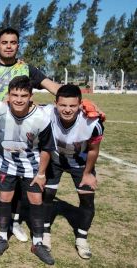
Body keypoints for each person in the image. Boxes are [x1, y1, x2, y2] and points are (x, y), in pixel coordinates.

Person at [0, 27, 60, 242]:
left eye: (13, 42)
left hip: (21, 136)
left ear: (18, 46)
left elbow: (52, 86)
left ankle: (15, 220)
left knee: (19, 175)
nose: (9, 46)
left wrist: (77, 99)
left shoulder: (26, 69)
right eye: (5, 42)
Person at [0, 75, 56, 265]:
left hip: (32, 166)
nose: (18, 99)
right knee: (4, 198)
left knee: (36, 199)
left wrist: (42, 173)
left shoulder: (41, 117)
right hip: (6, 164)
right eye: (14, 95)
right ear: (8, 96)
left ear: (31, 96)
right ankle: (2, 237)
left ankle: (38, 243)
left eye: (23, 95)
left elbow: (47, 148)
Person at [41, 85, 104, 259]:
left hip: (80, 163)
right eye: (62, 105)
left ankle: (82, 238)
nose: (67, 110)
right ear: (55, 104)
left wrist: (88, 173)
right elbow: (26, 105)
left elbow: (93, 150)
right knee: (47, 194)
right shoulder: (47, 112)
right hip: (55, 160)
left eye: (72, 106)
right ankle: (45, 232)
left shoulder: (92, 122)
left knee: (87, 197)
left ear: (80, 105)